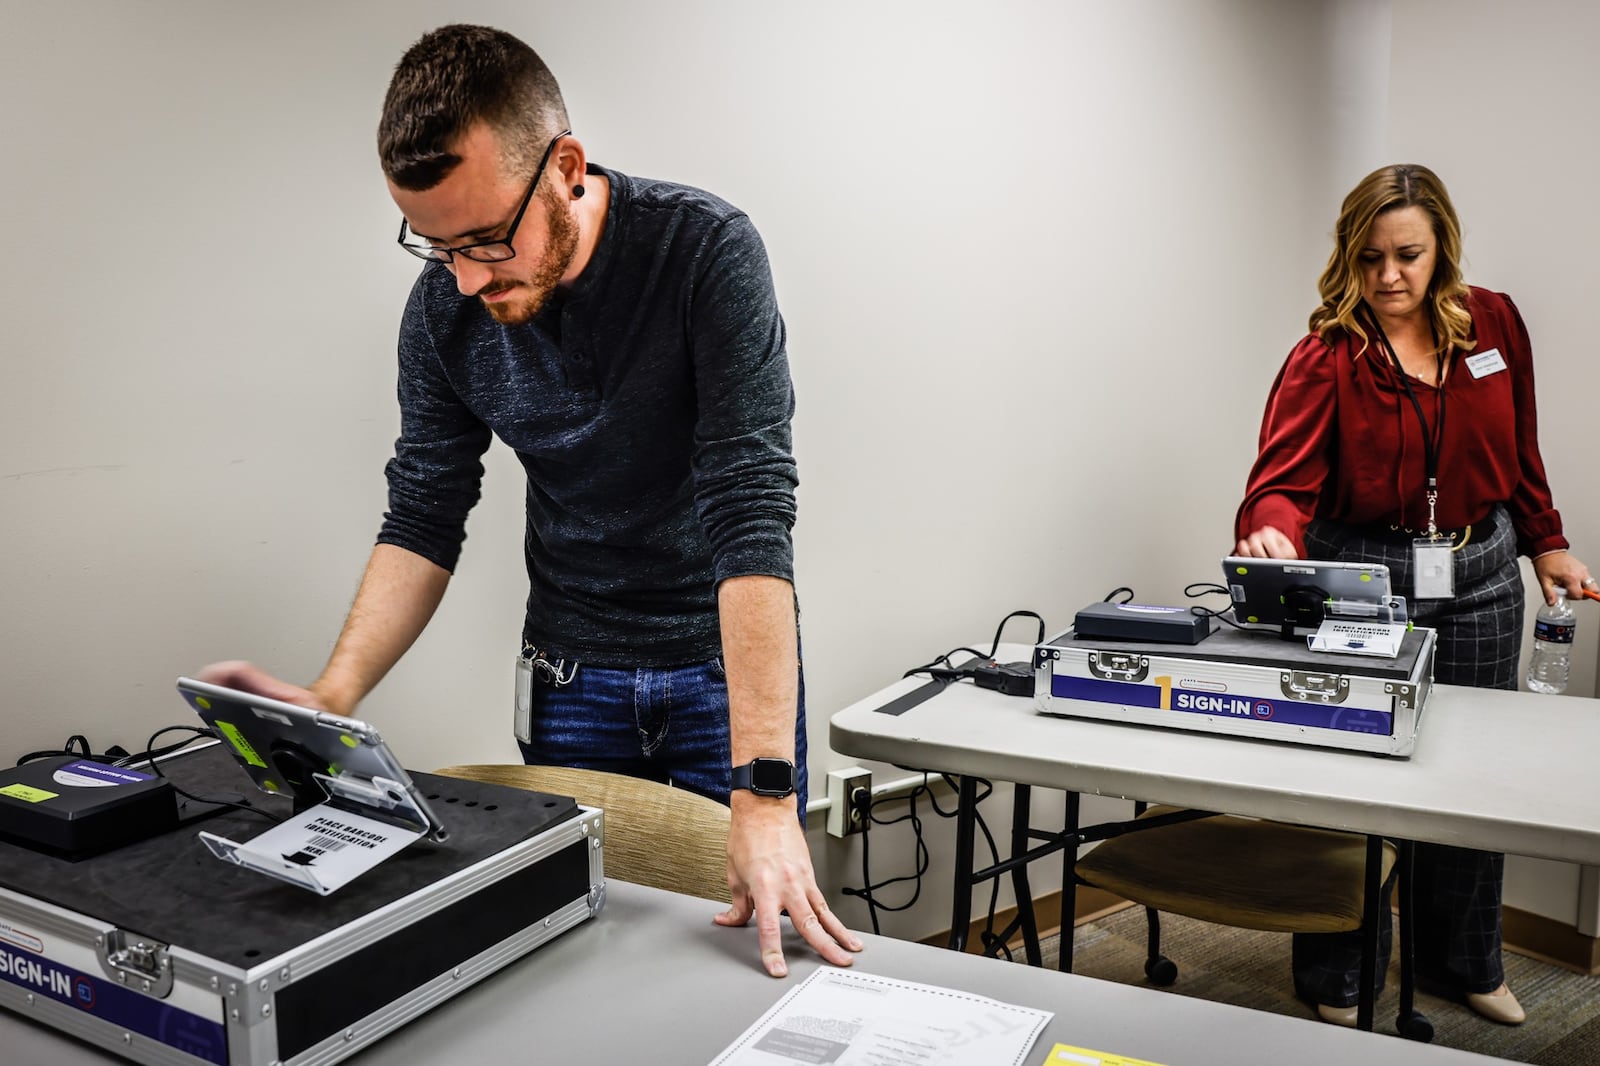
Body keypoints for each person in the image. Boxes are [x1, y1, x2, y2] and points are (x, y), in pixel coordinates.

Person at [200, 24, 860, 978]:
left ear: (566, 168)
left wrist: (763, 792)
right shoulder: (443, 309)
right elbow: (424, 509)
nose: (467, 278)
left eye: (486, 240)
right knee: (581, 954)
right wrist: (329, 703)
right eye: (434, 247)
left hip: (724, 676)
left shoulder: (702, 252)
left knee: (753, 950)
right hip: (570, 677)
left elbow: (750, 511)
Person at [1234, 163, 1594, 1028]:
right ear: (1346, 260)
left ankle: (1463, 958)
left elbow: (1520, 444)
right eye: (1369, 259)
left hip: (1480, 574)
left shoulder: (1493, 322)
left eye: (1408, 255)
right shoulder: (1328, 354)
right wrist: (1270, 529)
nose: (1388, 277)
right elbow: (1279, 478)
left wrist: (1547, 539)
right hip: (1364, 577)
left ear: (1442, 250)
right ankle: (1340, 973)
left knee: (1471, 781)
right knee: (1354, 777)